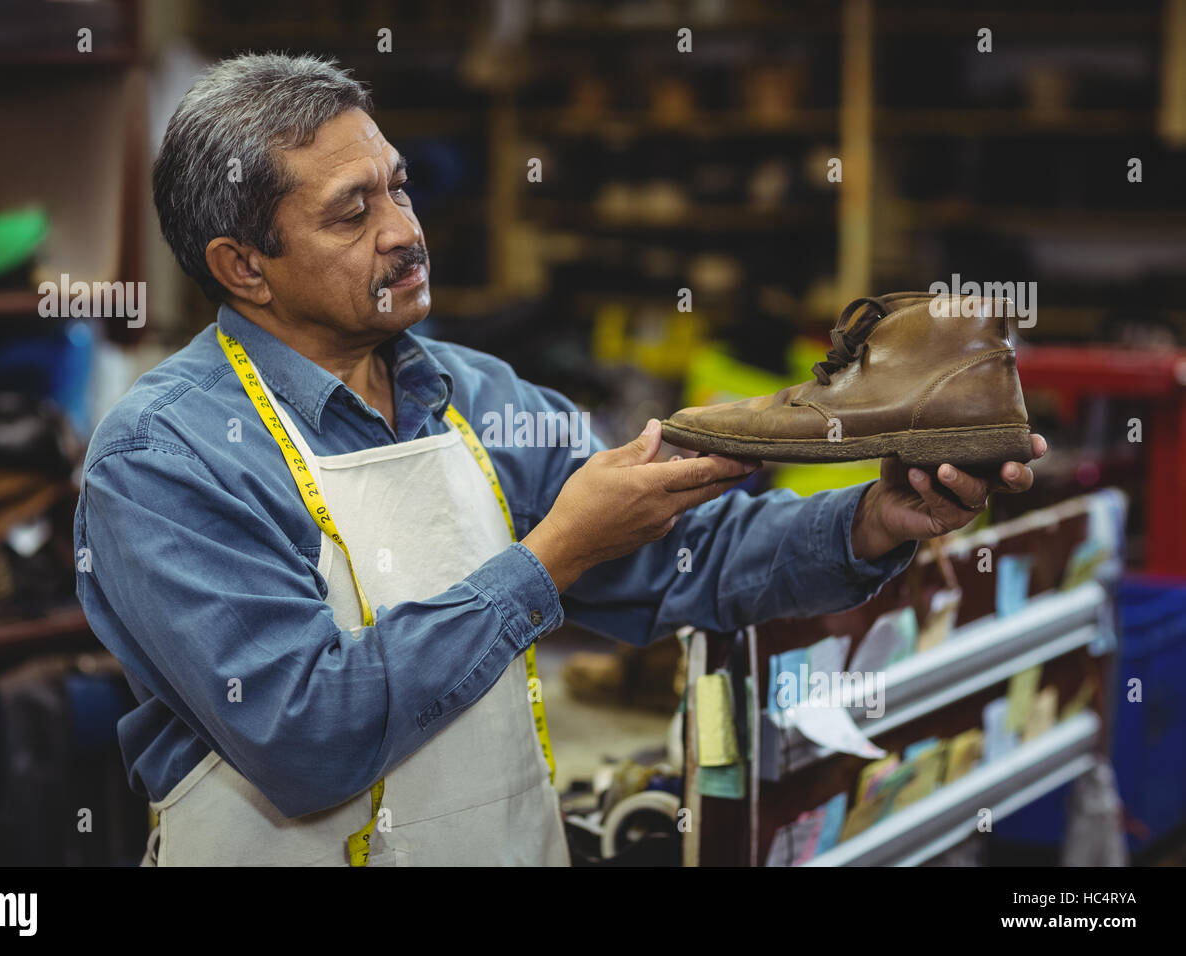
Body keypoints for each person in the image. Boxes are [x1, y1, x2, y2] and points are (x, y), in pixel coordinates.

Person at [74, 52, 1045, 866]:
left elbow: (681, 557)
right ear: (243, 265)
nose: (406, 232)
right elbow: (305, 731)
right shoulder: (169, 456)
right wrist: (550, 559)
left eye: (400, 185)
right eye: (350, 213)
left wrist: (869, 521)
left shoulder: (478, 396)